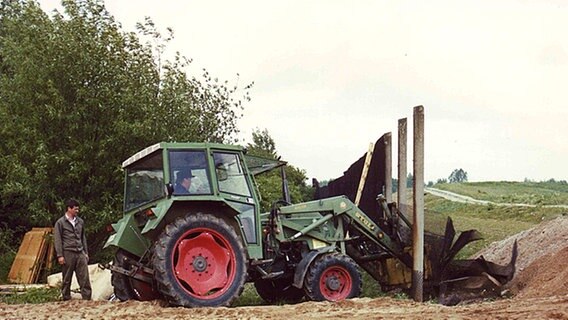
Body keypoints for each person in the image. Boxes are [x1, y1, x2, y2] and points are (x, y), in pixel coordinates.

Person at [53, 199, 92, 301]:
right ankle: (66, 297)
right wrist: (60, 255)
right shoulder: (60, 223)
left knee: (84, 277)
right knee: (67, 277)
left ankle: (87, 297)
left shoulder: (80, 222)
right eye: (75, 209)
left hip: (80, 252)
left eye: (78, 209)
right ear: (69, 209)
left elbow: (83, 238)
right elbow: (58, 239)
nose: (77, 211)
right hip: (68, 252)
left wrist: (86, 253)